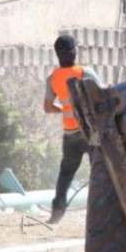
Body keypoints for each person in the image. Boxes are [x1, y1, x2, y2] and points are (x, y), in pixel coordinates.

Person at [43, 34, 96, 224]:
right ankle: (96, 214)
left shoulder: (53, 78)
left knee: (65, 174)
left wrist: (66, 109)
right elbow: (103, 95)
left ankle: (56, 213)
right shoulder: (85, 73)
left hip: (70, 135)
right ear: (74, 51)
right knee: (98, 174)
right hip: (90, 134)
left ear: (57, 55)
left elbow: (48, 107)